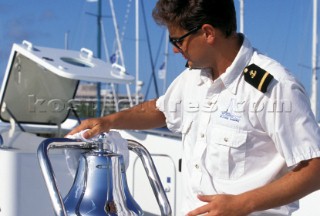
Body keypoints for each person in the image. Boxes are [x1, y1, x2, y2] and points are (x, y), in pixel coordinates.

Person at [67, 0, 320, 215]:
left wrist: (241, 204)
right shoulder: (193, 78)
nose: (176, 51)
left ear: (208, 33)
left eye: (177, 41)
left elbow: (315, 168)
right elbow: (163, 110)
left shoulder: (273, 87)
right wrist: (110, 121)